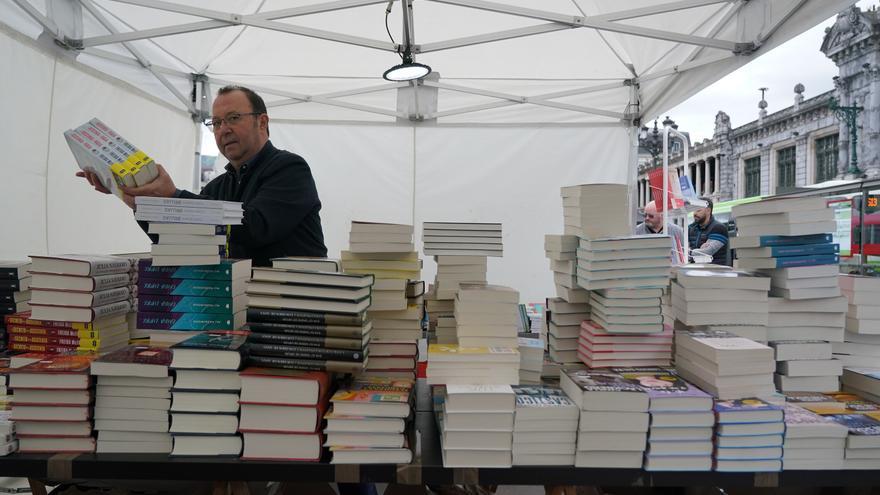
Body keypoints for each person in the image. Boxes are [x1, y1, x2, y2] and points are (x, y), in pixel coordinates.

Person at [77, 85, 327, 266]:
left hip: (290, 308)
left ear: (262, 122)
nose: (223, 129)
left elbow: (255, 227)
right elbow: (180, 243)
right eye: (216, 123)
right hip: (233, 306)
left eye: (233, 118)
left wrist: (173, 196)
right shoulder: (217, 187)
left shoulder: (290, 168)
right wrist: (138, 201)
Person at [635, 200, 685, 265]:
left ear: (661, 215)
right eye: (645, 215)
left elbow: (683, 255)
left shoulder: (677, 231)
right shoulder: (637, 231)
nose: (647, 218)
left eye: (651, 216)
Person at [688, 197, 730, 266]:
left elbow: (706, 252)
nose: (695, 213)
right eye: (694, 210)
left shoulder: (719, 228)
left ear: (708, 210)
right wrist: (698, 251)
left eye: (698, 210)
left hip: (714, 270)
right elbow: (682, 248)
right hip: (695, 269)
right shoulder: (690, 228)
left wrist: (688, 252)